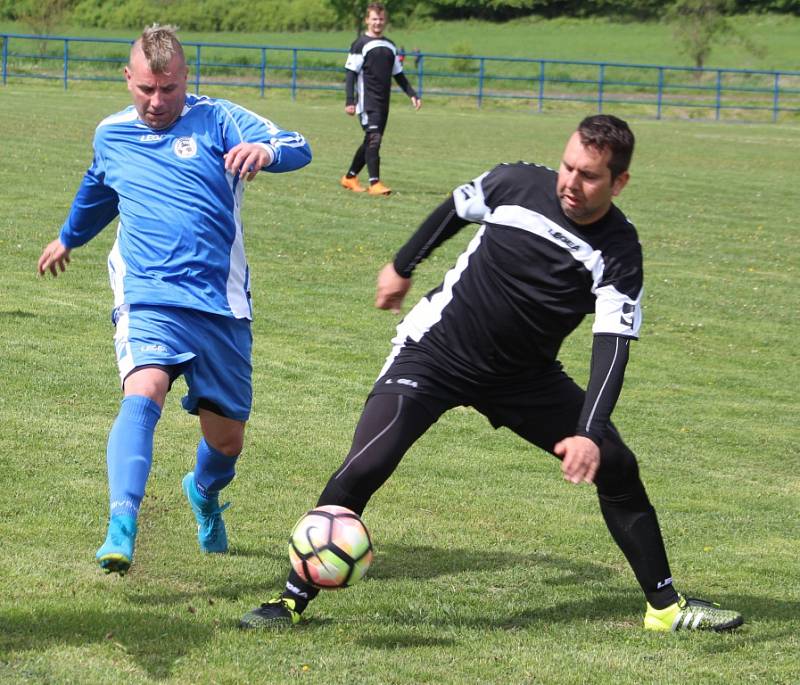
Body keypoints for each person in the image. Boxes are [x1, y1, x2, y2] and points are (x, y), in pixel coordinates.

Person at [240, 115, 743, 633]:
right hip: (434, 354)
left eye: (589, 176)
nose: (570, 182)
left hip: (525, 378)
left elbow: (612, 348)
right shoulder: (516, 183)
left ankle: (664, 608)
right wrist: (402, 265)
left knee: (615, 462)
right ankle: (290, 600)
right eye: (568, 166)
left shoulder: (618, 250)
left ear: (619, 183)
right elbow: (454, 210)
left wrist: (588, 434)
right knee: (367, 464)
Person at [37, 24, 311, 577]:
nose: (157, 102)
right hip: (149, 293)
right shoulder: (111, 134)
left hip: (220, 304)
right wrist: (68, 236)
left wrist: (265, 150)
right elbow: (98, 189)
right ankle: (121, 524)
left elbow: (298, 146)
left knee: (227, 440)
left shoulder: (219, 118)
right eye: (145, 90)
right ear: (128, 80)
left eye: (169, 90)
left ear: (186, 79)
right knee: (145, 387)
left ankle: (203, 493)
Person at [339, 2, 421, 197]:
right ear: (367, 20)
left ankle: (349, 177)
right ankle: (374, 183)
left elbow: (398, 75)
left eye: (381, 19)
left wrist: (412, 94)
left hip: (384, 103)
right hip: (367, 103)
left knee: (371, 140)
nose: (378, 22)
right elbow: (350, 73)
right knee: (374, 139)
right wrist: (350, 101)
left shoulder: (390, 45)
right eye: (374, 19)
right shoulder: (360, 44)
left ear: (385, 20)